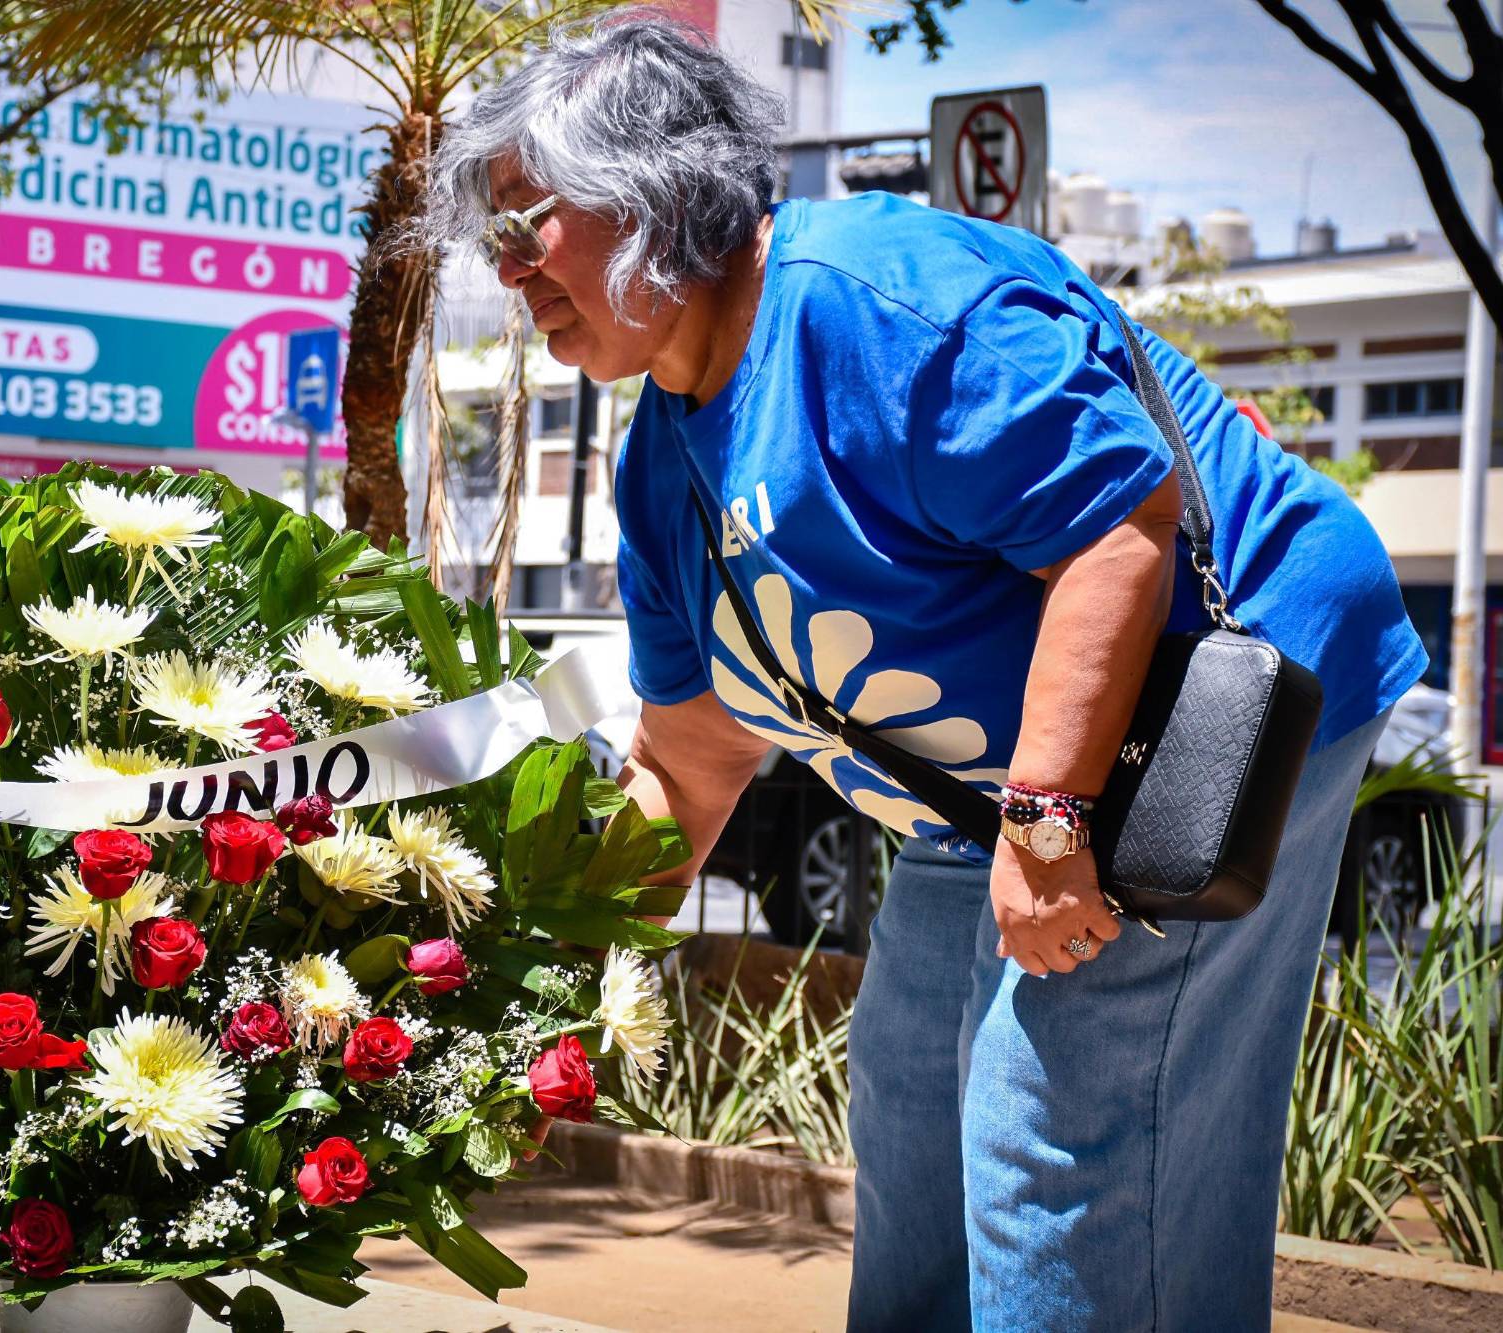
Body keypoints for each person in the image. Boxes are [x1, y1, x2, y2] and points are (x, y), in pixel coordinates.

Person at [430, 16, 1427, 1332]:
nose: (507, 272)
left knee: (1054, 1132)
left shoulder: (871, 298)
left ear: (649, 188)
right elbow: (695, 758)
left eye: (526, 224)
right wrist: (516, 963)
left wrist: (1051, 815)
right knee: (910, 1102)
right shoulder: (658, 460)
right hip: (999, 789)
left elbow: (1121, 528)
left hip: (1212, 700)